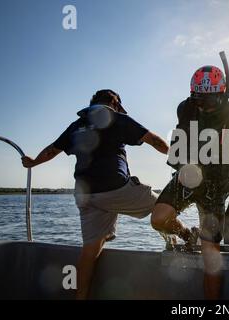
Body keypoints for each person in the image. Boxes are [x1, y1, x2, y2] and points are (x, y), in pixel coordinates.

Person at [21, 89, 169, 299]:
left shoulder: (76, 125)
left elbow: (52, 150)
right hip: (115, 189)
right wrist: (176, 155)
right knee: (164, 206)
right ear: (114, 102)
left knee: (90, 252)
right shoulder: (117, 118)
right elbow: (153, 140)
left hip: (86, 195)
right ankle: (184, 236)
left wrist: (33, 162)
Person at [151, 65, 229, 299]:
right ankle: (186, 235)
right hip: (188, 175)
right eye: (200, 100)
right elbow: (180, 141)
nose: (205, 106)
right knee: (158, 218)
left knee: (210, 256)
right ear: (193, 95)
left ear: (222, 93)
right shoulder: (185, 108)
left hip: (217, 183)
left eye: (211, 100)